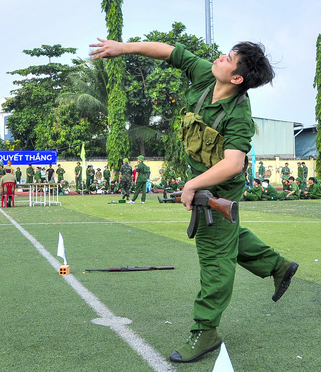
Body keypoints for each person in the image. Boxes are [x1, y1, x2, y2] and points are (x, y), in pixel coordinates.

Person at [90, 37, 299, 363]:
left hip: (220, 189)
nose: (219, 57)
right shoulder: (206, 76)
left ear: (237, 78)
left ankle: (206, 331)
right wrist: (123, 47)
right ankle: (277, 266)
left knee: (216, 259)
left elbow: (233, 163)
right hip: (201, 179)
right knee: (229, 236)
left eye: (228, 58)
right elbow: (170, 51)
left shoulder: (239, 115)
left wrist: (192, 185)